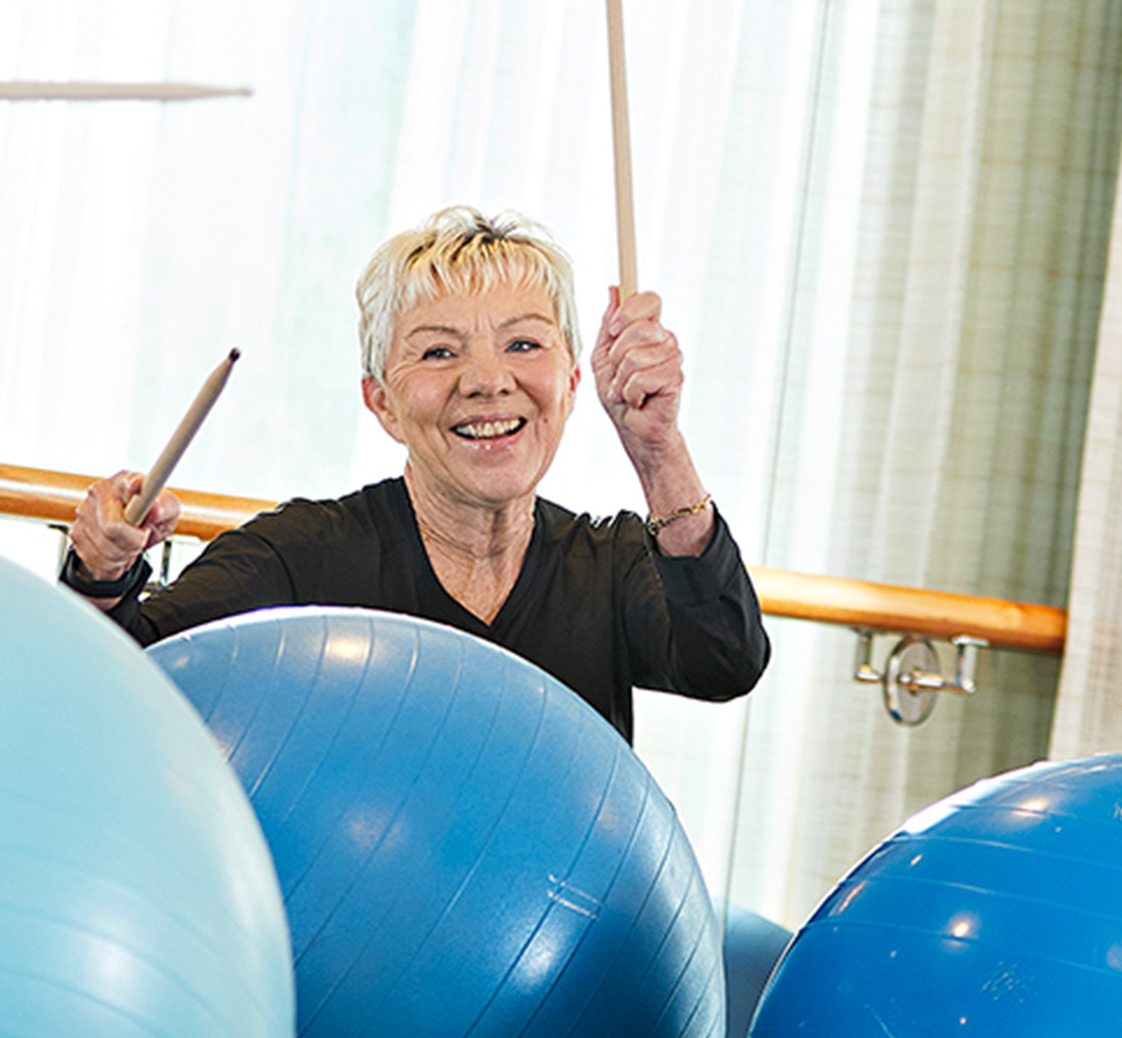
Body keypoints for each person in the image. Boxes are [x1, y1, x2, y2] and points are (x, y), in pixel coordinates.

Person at [61, 206, 769, 741]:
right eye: (437, 353)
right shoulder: (301, 557)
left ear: (573, 378)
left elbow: (724, 661)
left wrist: (657, 448)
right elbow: (121, 682)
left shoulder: (608, 568)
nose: (489, 381)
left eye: (524, 343)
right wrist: (99, 572)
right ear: (382, 402)